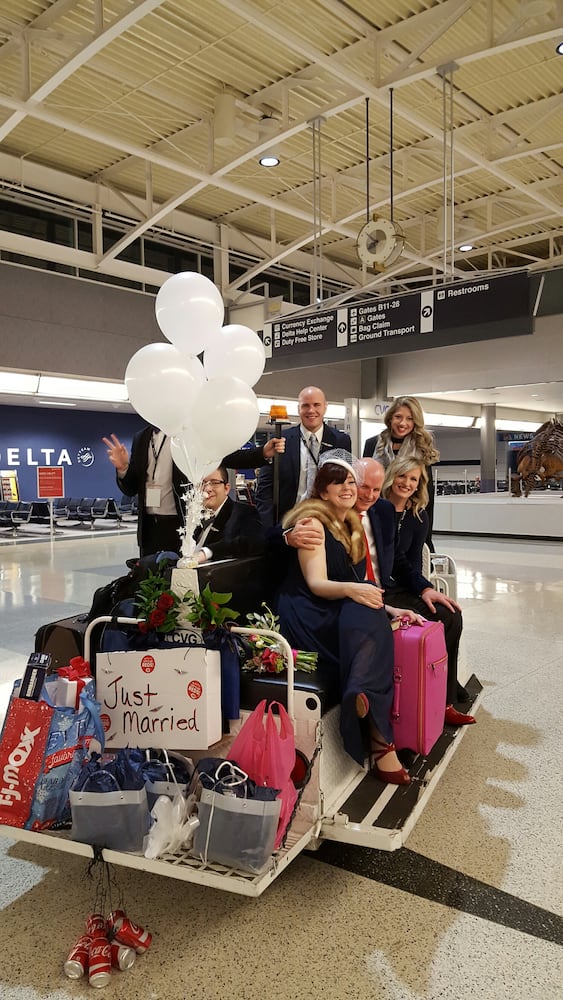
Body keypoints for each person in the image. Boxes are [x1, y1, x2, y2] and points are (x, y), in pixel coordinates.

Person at [276, 451, 424, 784]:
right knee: (367, 608)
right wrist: (358, 591)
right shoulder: (313, 522)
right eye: (337, 483)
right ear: (322, 490)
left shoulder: (349, 525)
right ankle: (381, 742)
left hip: (333, 603)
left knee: (371, 608)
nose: (347, 488)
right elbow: (317, 584)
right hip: (307, 611)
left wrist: (390, 607)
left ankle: (363, 694)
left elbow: (356, 585)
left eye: (350, 483)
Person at [381, 456, 475, 725]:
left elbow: (409, 564)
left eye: (414, 479)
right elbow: (389, 557)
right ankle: (436, 692)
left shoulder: (418, 516)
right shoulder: (377, 509)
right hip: (379, 589)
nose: (407, 483)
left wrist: (424, 589)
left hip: (402, 587)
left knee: (450, 615)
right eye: (403, 476)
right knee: (425, 621)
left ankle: (445, 700)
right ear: (392, 476)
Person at [102, 428, 282, 557]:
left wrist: (262, 453)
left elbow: (224, 456)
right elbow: (131, 489)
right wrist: (123, 468)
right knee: (149, 584)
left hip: (181, 525)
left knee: (179, 581)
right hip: (149, 530)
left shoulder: (189, 434)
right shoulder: (141, 437)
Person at [255, 386, 351, 529]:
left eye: (316, 405)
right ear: (298, 409)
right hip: (287, 523)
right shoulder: (280, 440)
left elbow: (345, 483)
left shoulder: (340, 441)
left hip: (328, 523)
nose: (311, 410)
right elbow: (265, 488)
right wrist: (269, 529)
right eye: (305, 405)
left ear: (325, 407)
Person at [363, 396, 439, 550]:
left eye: (409, 418)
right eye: (398, 417)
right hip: (376, 511)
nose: (403, 423)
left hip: (408, 515)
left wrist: (426, 539)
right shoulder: (373, 444)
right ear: (390, 418)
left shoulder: (421, 448)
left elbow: (427, 494)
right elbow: (364, 480)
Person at [192, 466, 264, 564]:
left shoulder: (244, 513)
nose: (207, 489)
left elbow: (254, 542)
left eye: (214, 483)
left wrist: (208, 552)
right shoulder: (195, 516)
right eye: (202, 483)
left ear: (226, 488)